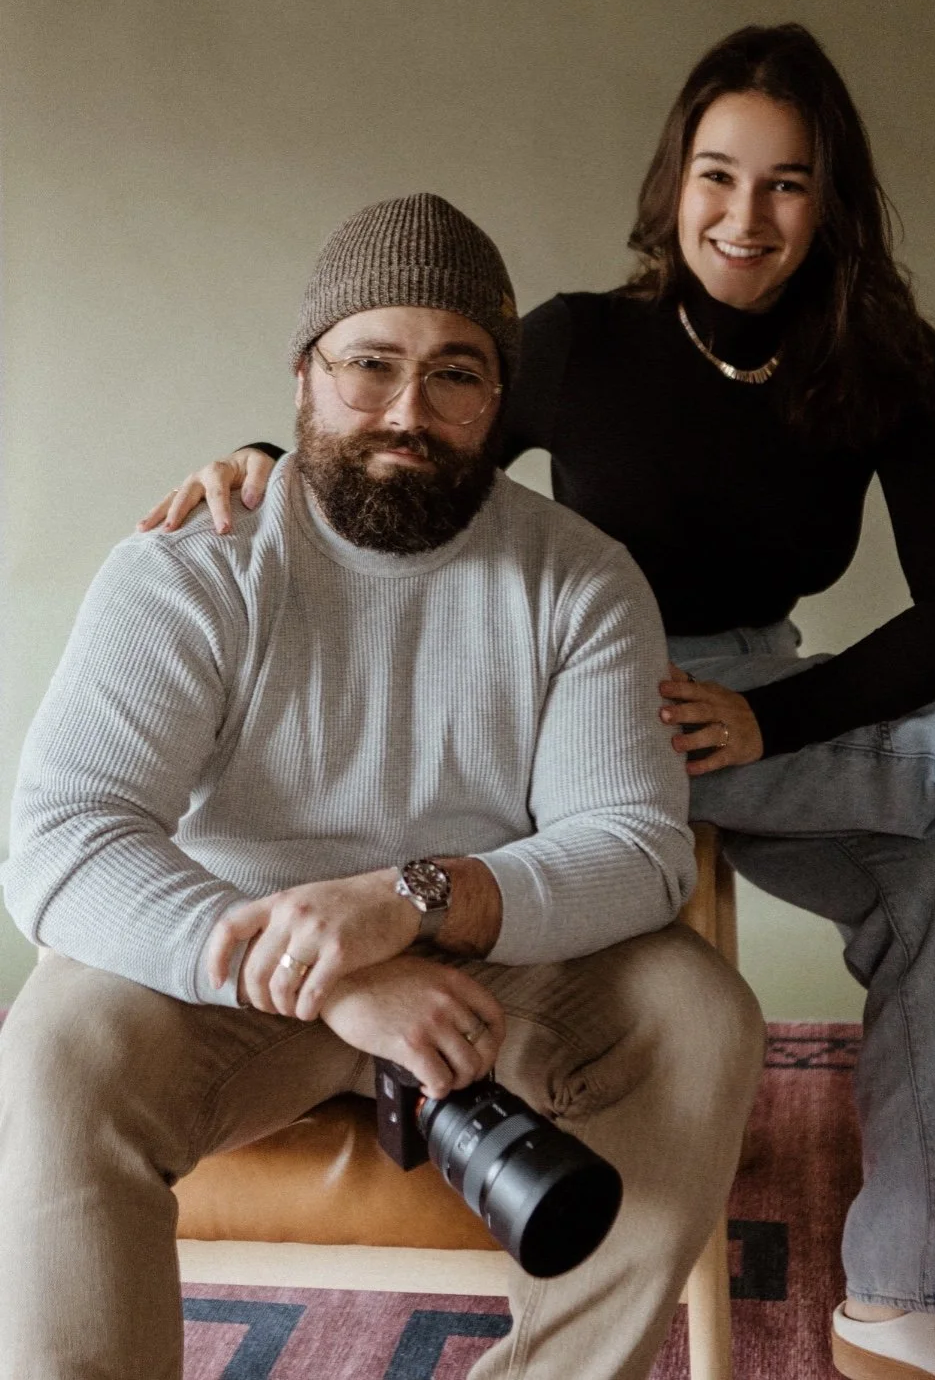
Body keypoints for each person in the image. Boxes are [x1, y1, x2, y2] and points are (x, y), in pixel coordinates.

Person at [142, 26, 935, 1380]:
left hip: (764, 709)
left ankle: (910, 1305)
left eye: (786, 182)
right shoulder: (579, 343)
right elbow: (411, 448)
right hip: (582, 695)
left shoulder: (891, 363)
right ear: (671, 183)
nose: (745, 215)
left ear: (832, 200)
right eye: (717, 174)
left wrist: (771, 718)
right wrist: (266, 455)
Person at [0, 193, 766, 1380]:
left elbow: (632, 846)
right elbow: (62, 837)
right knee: (58, 1049)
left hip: (503, 955)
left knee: (698, 1015)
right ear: (304, 375)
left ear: (496, 400)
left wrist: (412, 903)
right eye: (371, 364)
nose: (409, 412)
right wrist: (334, 980)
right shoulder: (192, 561)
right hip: (239, 963)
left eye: (455, 374)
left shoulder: (581, 578)